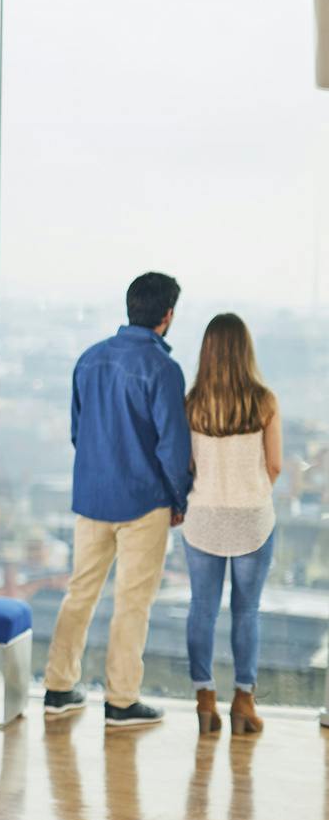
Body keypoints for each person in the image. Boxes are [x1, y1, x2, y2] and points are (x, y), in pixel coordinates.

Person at [42, 272, 193, 728]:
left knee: (80, 593)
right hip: (143, 502)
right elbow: (172, 447)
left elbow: (77, 430)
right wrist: (178, 497)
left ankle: (58, 687)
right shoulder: (163, 370)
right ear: (167, 316)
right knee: (132, 601)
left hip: (91, 498)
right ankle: (122, 700)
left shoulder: (89, 361)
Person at [180, 313, 280, 737]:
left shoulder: (192, 402)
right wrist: (251, 489)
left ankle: (205, 699)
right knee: (246, 610)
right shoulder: (264, 401)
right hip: (252, 518)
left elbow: (186, 465)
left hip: (203, 518)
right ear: (245, 350)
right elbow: (274, 465)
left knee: (202, 609)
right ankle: (244, 700)